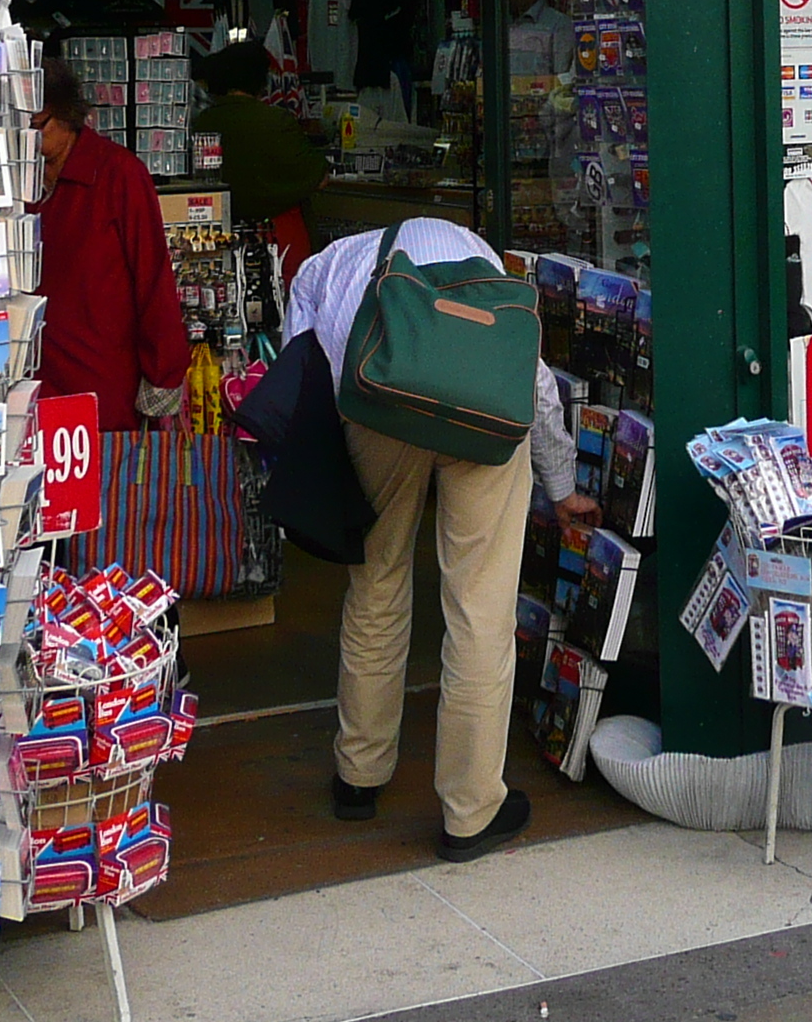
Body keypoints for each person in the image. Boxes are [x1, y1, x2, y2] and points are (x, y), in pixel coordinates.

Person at [286, 216, 589, 862]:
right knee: (481, 607)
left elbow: (305, 356)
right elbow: (531, 380)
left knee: (377, 581)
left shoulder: (331, 269)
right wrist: (561, 485)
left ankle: (358, 776)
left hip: (380, 406)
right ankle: (471, 809)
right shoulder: (486, 270)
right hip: (482, 421)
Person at [32, 60, 190, 439]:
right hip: (32, 387)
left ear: (66, 115)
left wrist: (162, 376)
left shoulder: (119, 174)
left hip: (102, 392)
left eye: (37, 126)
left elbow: (153, 280)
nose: (26, 138)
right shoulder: (16, 179)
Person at [189, 42, 327, 277]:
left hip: (217, 239)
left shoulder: (203, 122)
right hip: (279, 240)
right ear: (259, 80)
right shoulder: (276, 121)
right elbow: (319, 177)